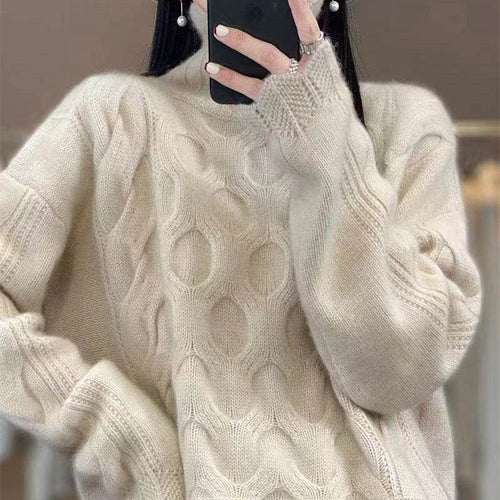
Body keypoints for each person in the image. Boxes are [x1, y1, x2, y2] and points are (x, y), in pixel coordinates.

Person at [0, 0, 482, 498]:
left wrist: (328, 141)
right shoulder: (110, 118)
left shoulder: (403, 126)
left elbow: (396, 375)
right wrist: (113, 428)